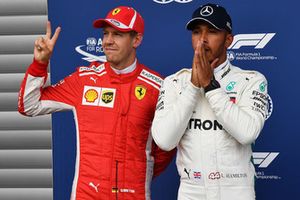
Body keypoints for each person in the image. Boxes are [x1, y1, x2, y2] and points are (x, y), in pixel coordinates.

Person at [18, 6, 175, 200]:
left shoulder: (158, 86)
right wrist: (39, 64)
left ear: (136, 40)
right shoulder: (84, 80)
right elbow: (28, 105)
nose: (108, 41)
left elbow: (167, 146)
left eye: (117, 34)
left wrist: (138, 172)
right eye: (105, 34)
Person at [151, 3, 268, 200]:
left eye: (212, 32)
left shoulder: (251, 80)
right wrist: (193, 87)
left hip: (237, 192)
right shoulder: (175, 82)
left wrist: (210, 86)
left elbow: (247, 133)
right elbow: (164, 140)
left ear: (228, 40)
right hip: (191, 192)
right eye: (197, 32)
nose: (202, 40)